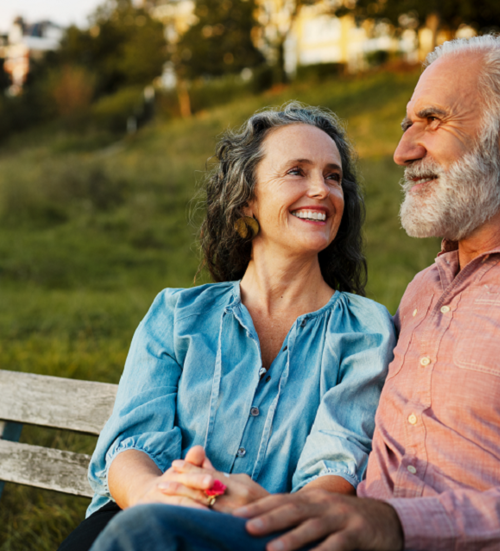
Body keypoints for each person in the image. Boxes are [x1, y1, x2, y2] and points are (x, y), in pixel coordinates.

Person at [88, 35, 500, 551]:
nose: (401, 151)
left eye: (432, 121)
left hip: (366, 535)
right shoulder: (425, 291)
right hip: (317, 536)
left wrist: (388, 524)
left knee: (147, 536)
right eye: (405, 125)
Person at [57, 102, 396, 551]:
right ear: (245, 201)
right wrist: (154, 496)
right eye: (297, 171)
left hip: (269, 535)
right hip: (141, 521)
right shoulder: (177, 315)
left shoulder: (364, 329)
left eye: (333, 176)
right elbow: (131, 443)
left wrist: (251, 510)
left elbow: (336, 465)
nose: (322, 190)